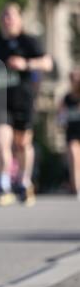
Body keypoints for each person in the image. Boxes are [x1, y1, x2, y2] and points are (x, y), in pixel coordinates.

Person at [0, 2, 53, 206]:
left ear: (19, 19)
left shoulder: (29, 42)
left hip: (23, 98)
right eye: (4, 15)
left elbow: (47, 63)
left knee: (22, 143)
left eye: (11, 15)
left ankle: (24, 181)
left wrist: (26, 64)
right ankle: (3, 184)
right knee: (1, 141)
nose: (7, 19)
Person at [58, 68, 80, 197]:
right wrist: (62, 118)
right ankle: (76, 188)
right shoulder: (66, 98)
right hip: (72, 133)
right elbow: (60, 117)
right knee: (74, 158)